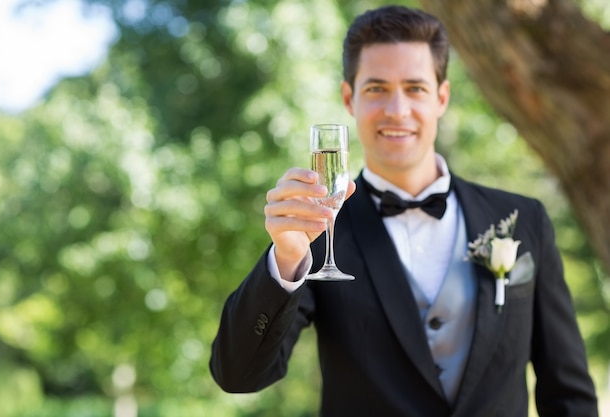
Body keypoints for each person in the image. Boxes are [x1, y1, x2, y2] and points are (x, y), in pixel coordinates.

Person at [209, 5, 598, 416]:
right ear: (349, 98)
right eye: (377, 88)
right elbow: (238, 375)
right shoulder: (319, 231)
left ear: (441, 97)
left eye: (415, 88)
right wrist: (285, 259)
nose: (397, 110)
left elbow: (569, 395)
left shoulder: (524, 221)